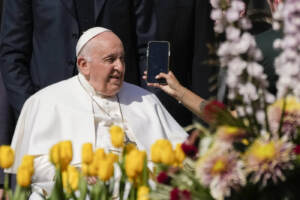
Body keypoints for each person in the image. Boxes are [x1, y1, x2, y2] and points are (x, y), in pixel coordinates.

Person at [6, 27, 187, 199]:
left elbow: (183, 155)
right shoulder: (47, 101)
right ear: (84, 65)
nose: (120, 67)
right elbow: (30, 164)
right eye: (110, 59)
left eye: (122, 59)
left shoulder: (145, 100)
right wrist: (73, 173)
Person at [0, 0, 156, 117]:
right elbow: (12, 54)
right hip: (52, 111)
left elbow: (152, 48)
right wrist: (32, 111)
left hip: (120, 110)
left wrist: (149, 108)